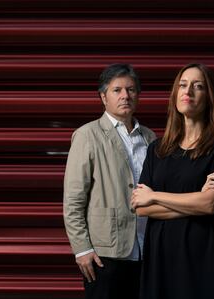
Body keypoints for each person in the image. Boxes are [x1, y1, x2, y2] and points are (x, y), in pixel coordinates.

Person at [131, 63, 214, 299]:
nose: (188, 91)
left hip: (206, 257)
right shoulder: (157, 149)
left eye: (198, 86)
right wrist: (196, 201)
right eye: (183, 85)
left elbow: (210, 204)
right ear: (175, 94)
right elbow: (140, 207)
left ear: (209, 97)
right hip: (162, 257)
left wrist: (155, 195)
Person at [63, 63, 156, 299]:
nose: (125, 95)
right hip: (105, 252)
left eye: (131, 90)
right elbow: (73, 200)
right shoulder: (87, 135)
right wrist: (82, 249)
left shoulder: (150, 137)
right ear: (103, 97)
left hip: (148, 249)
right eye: (117, 90)